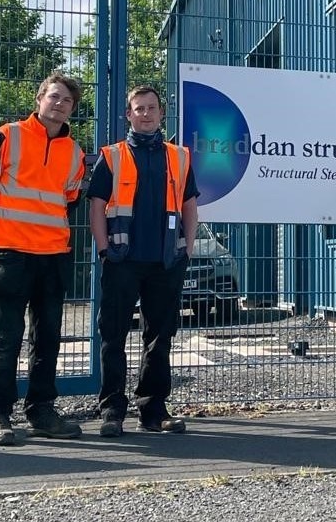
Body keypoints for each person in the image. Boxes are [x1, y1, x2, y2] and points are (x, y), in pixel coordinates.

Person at [0, 72, 86, 446]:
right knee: (7, 339)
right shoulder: (9, 135)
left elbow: (70, 198)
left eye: (67, 101)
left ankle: (42, 412)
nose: (59, 104)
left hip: (52, 255)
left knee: (48, 338)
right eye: (54, 97)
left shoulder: (75, 152)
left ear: (72, 109)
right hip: (11, 253)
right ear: (39, 99)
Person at [88, 85, 199, 438]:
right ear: (129, 115)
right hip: (122, 259)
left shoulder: (179, 157)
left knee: (160, 337)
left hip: (165, 261)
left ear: (161, 114)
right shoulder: (113, 155)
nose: (146, 114)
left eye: (152, 108)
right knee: (113, 335)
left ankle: (153, 410)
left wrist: (188, 248)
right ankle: (112, 411)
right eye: (139, 109)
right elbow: (96, 205)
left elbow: (189, 205)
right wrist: (105, 249)